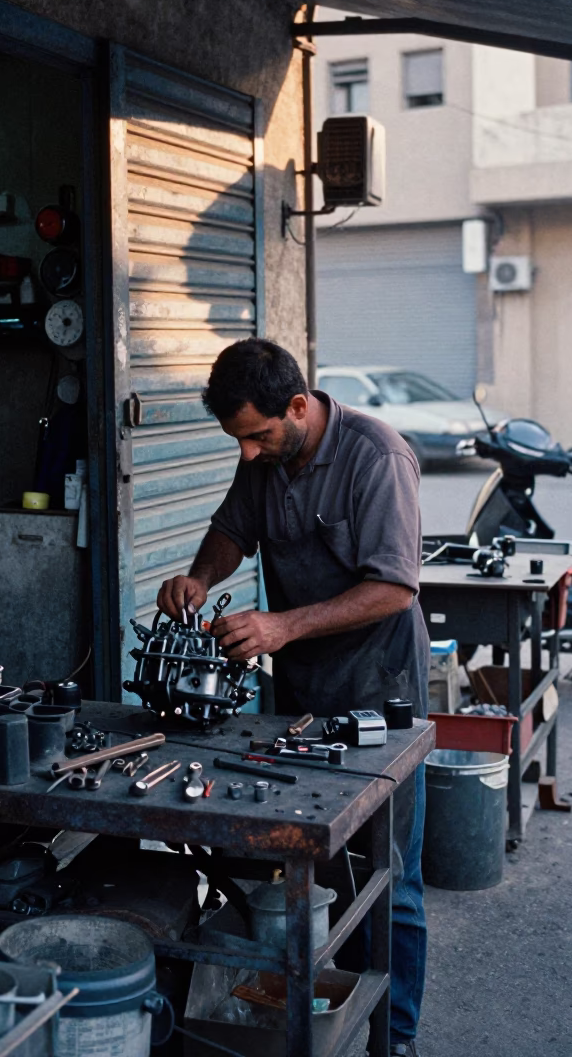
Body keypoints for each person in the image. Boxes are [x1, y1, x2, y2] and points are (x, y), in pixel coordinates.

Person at [157, 338, 429, 1057]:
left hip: (382, 692)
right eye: (238, 439)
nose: (247, 453)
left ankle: (393, 1040)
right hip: (303, 694)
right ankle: (327, 1012)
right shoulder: (267, 459)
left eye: (257, 435)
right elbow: (230, 533)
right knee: (324, 866)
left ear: (299, 407)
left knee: (389, 878)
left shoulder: (379, 458)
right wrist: (199, 579)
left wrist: (282, 625)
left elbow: (396, 588)